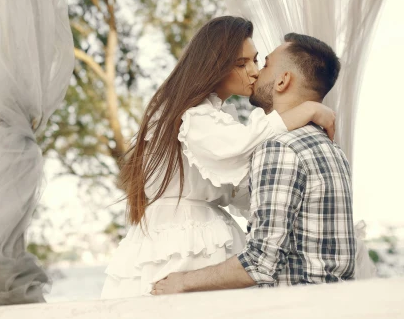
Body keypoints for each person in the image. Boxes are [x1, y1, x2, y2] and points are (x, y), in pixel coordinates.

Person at [100, 18, 336, 298]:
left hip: (197, 228)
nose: (253, 72)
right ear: (214, 65)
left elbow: (239, 188)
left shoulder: (212, 117)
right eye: (241, 63)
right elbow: (239, 146)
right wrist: (307, 110)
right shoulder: (193, 115)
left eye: (256, 61)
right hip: (183, 237)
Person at [152, 33, 356, 293]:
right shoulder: (330, 148)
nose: (256, 72)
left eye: (264, 63)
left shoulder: (279, 148)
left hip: (298, 307)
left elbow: (260, 262)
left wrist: (182, 281)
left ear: (283, 80)